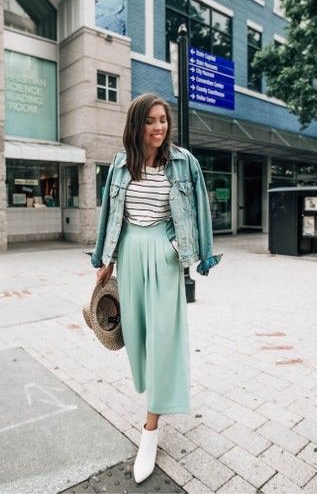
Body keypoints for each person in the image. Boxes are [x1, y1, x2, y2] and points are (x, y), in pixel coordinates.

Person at [90, 93, 221, 483]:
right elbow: (110, 214)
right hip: (130, 253)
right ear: (137, 125)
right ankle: (155, 397)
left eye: (163, 119)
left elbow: (199, 208)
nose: (160, 127)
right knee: (140, 337)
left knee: (165, 337)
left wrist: (187, 251)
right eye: (151, 120)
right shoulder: (120, 163)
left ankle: (150, 428)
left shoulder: (183, 162)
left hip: (163, 257)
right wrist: (105, 260)